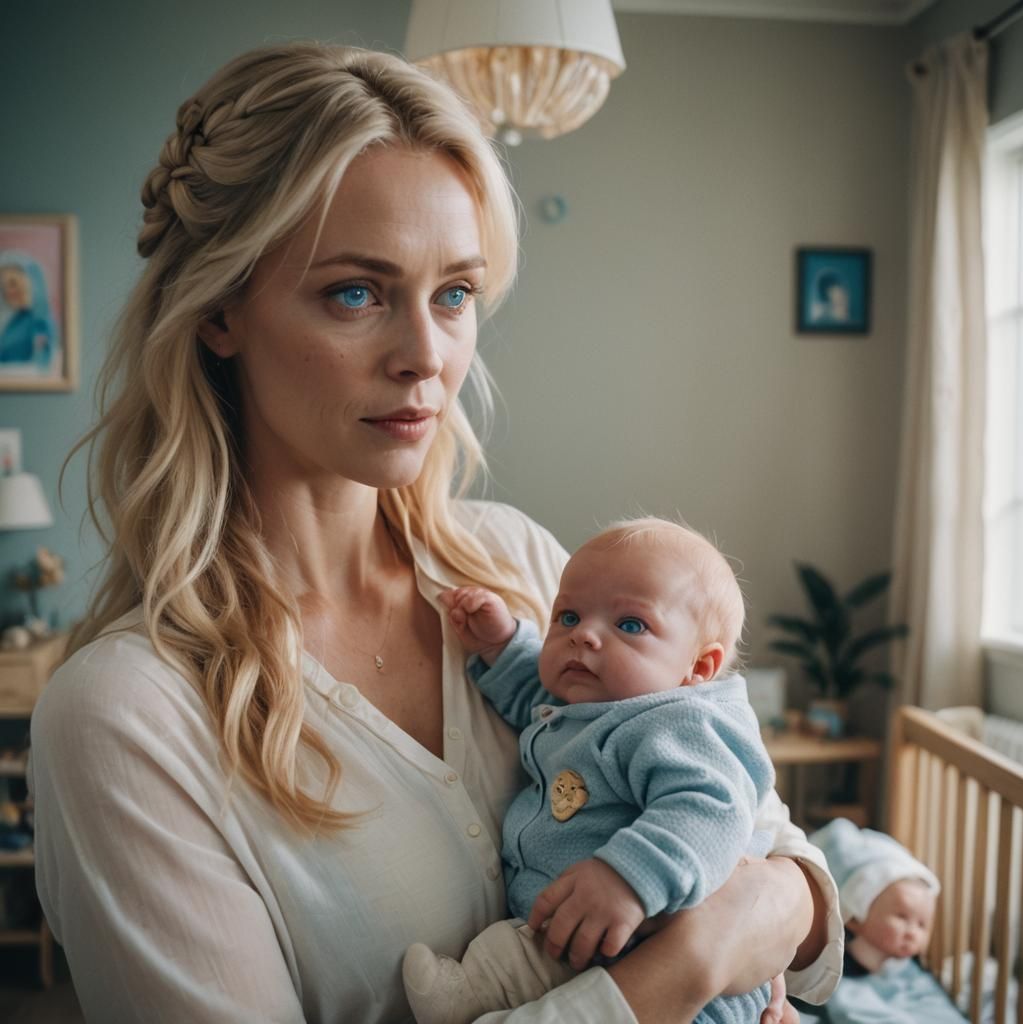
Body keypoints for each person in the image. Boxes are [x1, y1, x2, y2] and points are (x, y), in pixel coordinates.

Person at [28, 42, 842, 1024]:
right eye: (355, 293)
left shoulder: (530, 565)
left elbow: (768, 847)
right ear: (220, 311)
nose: (426, 356)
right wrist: (697, 957)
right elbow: (740, 908)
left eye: (453, 293)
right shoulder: (128, 716)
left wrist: (780, 903)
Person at [403, 518, 780, 1024]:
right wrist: (501, 645)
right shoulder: (598, 707)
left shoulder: (679, 723)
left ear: (699, 668)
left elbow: (712, 807)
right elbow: (537, 701)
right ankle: (474, 989)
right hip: (584, 939)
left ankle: (472, 990)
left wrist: (627, 876)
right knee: (517, 952)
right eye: (569, 616)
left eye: (630, 625)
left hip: (662, 947)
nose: (584, 636)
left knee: (519, 956)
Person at [806, 819, 961, 1024]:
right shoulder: (837, 966)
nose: (912, 932)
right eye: (902, 917)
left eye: (922, 924)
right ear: (854, 918)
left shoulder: (911, 969)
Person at [0, 258, 55, 366]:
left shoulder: (40, 322)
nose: (7, 292)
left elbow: (42, 363)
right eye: (3, 287)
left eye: (13, 283)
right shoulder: (14, 321)